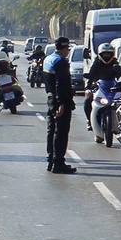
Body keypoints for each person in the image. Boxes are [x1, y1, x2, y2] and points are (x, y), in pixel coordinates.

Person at [43, 36, 77, 174]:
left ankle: (51, 160)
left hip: (50, 98)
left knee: (51, 131)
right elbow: (61, 84)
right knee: (61, 133)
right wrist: (62, 103)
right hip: (60, 101)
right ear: (64, 48)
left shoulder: (48, 59)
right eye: (67, 48)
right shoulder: (61, 62)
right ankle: (58, 163)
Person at [83, 43, 121, 125]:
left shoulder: (115, 64)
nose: (106, 56)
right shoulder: (96, 64)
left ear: (112, 54)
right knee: (88, 98)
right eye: (105, 54)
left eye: (108, 54)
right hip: (99, 87)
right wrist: (88, 87)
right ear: (100, 54)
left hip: (113, 87)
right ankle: (89, 120)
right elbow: (91, 75)